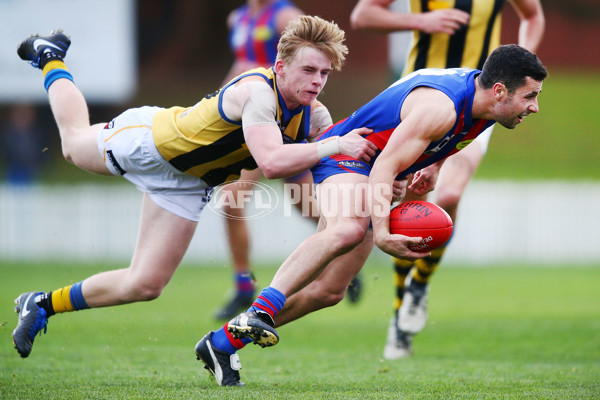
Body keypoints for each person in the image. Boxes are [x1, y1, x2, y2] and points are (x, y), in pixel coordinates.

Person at [11, 16, 378, 363]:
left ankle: (41, 304)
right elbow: (271, 162)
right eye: (308, 70)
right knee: (73, 144)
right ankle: (49, 57)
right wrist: (334, 147)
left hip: (189, 184)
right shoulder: (258, 92)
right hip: (152, 145)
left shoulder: (314, 116)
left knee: (145, 284)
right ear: (280, 67)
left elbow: (325, 176)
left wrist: (374, 191)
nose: (317, 81)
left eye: (325, 73)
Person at [195, 44, 547, 386]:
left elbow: (442, 139)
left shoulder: (488, 106)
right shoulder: (441, 107)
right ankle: (259, 310)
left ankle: (222, 343)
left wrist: (434, 166)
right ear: (499, 90)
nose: (534, 108)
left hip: (372, 164)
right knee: (348, 229)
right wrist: (381, 231)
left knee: (329, 291)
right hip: (348, 151)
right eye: (530, 97)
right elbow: (385, 165)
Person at [350, 0, 545, 359]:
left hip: (481, 98)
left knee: (450, 193)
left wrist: (520, 74)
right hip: (424, 91)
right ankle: (399, 313)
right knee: (411, 200)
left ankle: (419, 286)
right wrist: (420, 19)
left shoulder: (496, 95)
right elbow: (362, 16)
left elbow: (533, 15)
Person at [214, 0, 364, 321]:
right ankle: (243, 284)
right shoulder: (237, 18)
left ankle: (340, 256)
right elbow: (242, 66)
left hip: (288, 117)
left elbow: (312, 53)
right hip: (258, 122)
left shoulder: (284, 15)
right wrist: (218, 101)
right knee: (231, 200)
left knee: (305, 203)